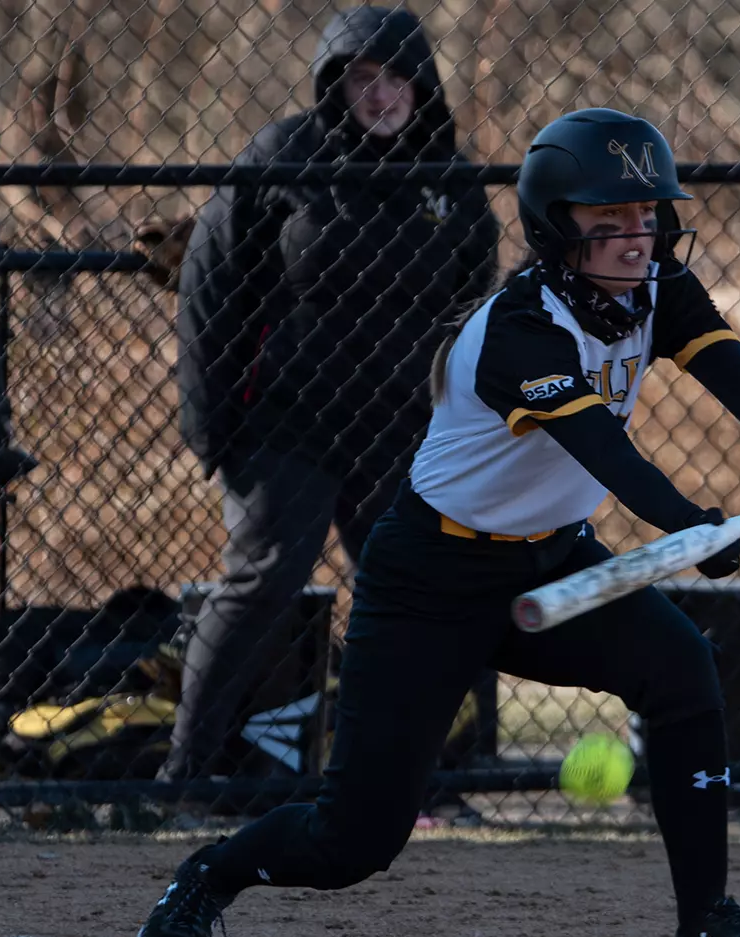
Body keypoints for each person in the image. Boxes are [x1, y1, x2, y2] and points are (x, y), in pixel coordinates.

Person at [134, 107, 740, 937]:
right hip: (428, 581)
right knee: (355, 840)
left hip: (550, 560)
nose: (637, 236)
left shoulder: (660, 289)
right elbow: (604, 448)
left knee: (683, 669)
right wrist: (686, 522)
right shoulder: (519, 329)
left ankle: (706, 928)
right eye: (609, 221)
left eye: (646, 216)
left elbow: (738, 378)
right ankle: (208, 875)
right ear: (555, 227)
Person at [167, 6, 501, 796]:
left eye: (396, 78)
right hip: (287, 423)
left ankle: (428, 775)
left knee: (426, 592)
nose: (381, 95)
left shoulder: (450, 181)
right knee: (264, 583)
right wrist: (210, 426)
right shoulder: (284, 156)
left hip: (400, 430)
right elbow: (208, 290)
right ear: (333, 86)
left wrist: (451, 413)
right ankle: (178, 777)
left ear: (422, 86)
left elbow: (473, 295)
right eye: (361, 79)